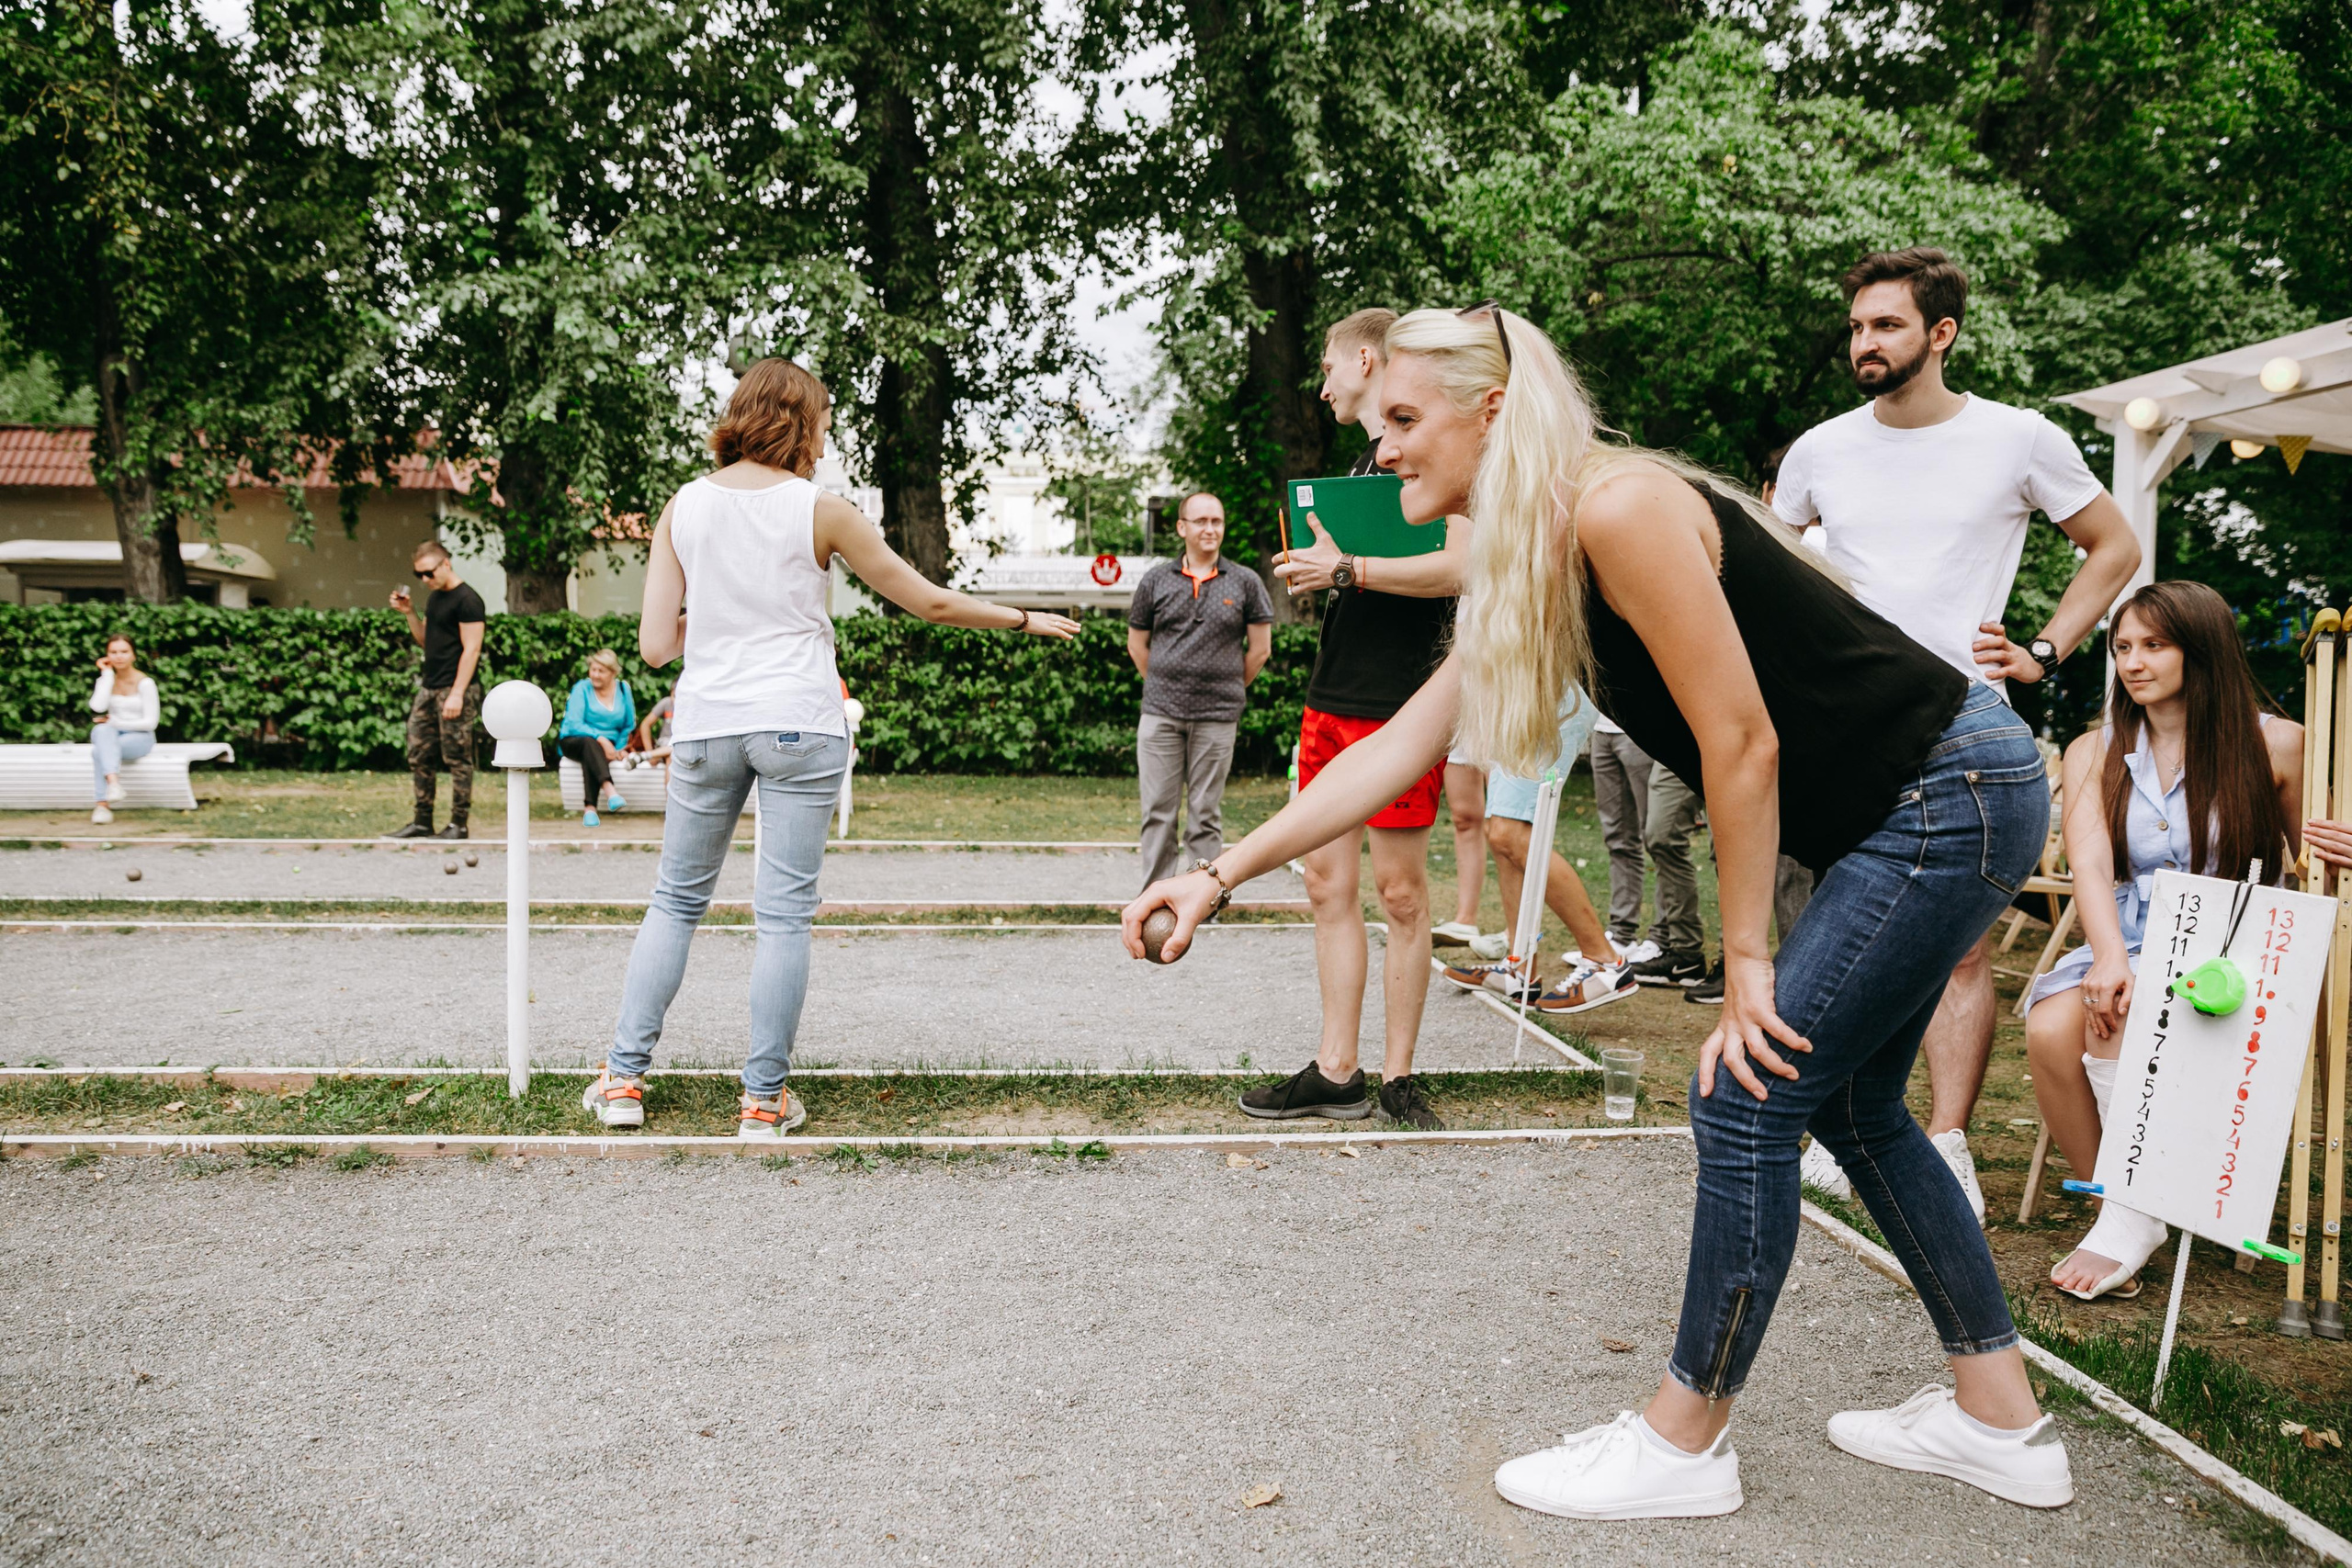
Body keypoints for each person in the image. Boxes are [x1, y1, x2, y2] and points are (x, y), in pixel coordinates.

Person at [1128, 306, 2071, 1519]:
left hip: (1950, 787)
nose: (1387, 450)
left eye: (1404, 420)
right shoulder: (1533, 550)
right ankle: (2001, 1417)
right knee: (1844, 1099)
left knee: (1745, 1086)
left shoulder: (1617, 507)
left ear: (1496, 411)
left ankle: (1684, 1443)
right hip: (1938, 792)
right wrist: (1215, 871)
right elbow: (1404, 742)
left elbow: (1741, 738)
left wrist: (1746, 962)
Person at [583, 357, 1076, 1139]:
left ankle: (623, 1081)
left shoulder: (683, 507)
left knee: (676, 901)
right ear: (801, 423)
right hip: (797, 721)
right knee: (782, 918)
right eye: (823, 423)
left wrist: (717, 621)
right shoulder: (824, 510)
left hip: (708, 724)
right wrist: (1021, 618)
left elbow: (651, 648)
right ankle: (762, 1101)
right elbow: (929, 600)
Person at [1772, 246, 2141, 1216]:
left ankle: (1942, 1141)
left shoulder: (2018, 439)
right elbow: (1771, 570)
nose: (1864, 341)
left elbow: (2115, 545)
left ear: (1939, 334)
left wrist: (2047, 650)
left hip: (1965, 731)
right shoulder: (1818, 450)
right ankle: (1842, 1124)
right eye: (1856, 325)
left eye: (1885, 325)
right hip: (1840, 729)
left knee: (1958, 951)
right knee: (1837, 926)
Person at [2025, 582, 2301, 1299]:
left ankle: (2132, 1215)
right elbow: (2088, 862)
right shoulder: (2097, 748)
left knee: (2125, 1006)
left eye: (2154, 645)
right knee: (2051, 1026)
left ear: (2200, 649)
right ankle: (2123, 1205)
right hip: (2134, 932)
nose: (2133, 663)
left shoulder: (2276, 742)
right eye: (2122, 647)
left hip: (2231, 949)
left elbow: (2312, 862)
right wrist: (2109, 952)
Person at [1249, 306, 1465, 1131]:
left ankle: (1399, 1076)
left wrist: (1350, 567)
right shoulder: (1358, 466)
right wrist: (1329, 575)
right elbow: (1365, 577)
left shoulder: (1441, 456)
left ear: (1367, 359)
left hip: (1402, 703)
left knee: (1402, 894)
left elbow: (1460, 566)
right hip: (1330, 698)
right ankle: (1337, 1070)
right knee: (1328, 887)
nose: (1323, 385)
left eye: (1330, 368)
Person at [1689, 442, 1815, 1006]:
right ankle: (1744, 962)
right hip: (1740, 723)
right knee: (1735, 850)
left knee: (1790, 866)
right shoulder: (1749, 543)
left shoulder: (1816, 549)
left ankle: (1792, 980)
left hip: (1791, 727)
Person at [1436, 692, 1634, 1015]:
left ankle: (1605, 961)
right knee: (1500, 831)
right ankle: (1520, 967)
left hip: (1547, 689)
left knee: (1510, 833)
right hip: (1514, 693)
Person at [1126, 491, 1274, 886]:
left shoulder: (1245, 581)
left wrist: (1226, 686)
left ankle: (1203, 894)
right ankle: (1154, 894)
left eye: (1217, 521)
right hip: (1160, 715)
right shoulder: (1156, 579)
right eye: (1201, 521)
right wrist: (1161, 683)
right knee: (1158, 810)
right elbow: (1136, 645)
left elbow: (1260, 651)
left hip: (1218, 717)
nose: (1211, 529)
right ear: (1182, 528)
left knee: (1205, 812)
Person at [383, 540, 487, 841]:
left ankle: (458, 823)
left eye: (429, 573)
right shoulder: (435, 599)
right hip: (429, 687)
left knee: (457, 757)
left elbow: (472, 649)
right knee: (418, 753)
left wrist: (456, 693)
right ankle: (422, 821)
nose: (425, 580)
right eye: (419, 575)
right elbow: (427, 640)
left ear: (446, 564)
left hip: (456, 689)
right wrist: (409, 613)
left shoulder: (468, 599)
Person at [560, 649, 639, 828]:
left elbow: (628, 725)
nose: (594, 674)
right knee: (591, 744)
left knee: (593, 753)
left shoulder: (623, 689)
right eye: (593, 669)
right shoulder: (581, 687)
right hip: (575, 740)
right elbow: (574, 723)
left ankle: (590, 810)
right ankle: (610, 790)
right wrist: (601, 738)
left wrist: (618, 748)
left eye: (601, 671)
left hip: (607, 745)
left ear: (613, 672)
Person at [87, 633, 157, 826]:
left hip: (140, 738)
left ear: (133, 655)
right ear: (107, 655)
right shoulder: (106, 680)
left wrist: (116, 723)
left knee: (99, 750)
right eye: (113, 652)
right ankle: (114, 786)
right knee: (101, 732)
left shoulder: (145, 683)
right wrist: (107, 675)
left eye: (124, 652)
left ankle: (102, 805)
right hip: (112, 736)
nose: (119, 656)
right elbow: (98, 707)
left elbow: (151, 723)